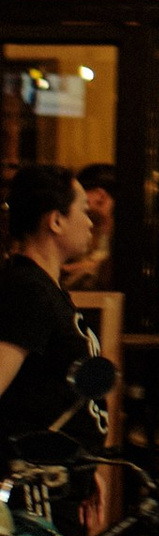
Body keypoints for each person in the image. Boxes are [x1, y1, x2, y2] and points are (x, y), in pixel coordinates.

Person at [0, 167, 99, 465]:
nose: (90, 223)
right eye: (83, 210)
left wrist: (89, 467)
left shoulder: (44, 288)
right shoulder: (28, 291)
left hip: (58, 486)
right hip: (32, 495)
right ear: (56, 221)